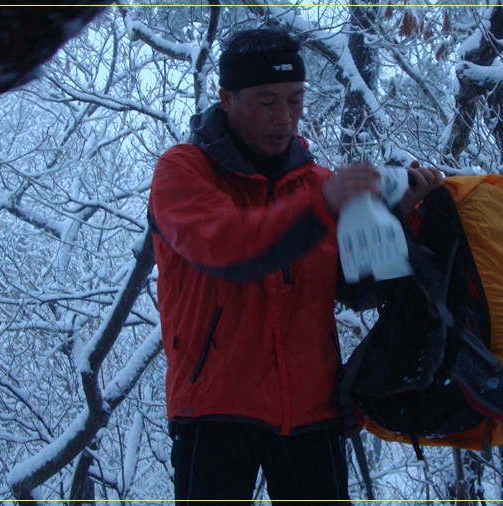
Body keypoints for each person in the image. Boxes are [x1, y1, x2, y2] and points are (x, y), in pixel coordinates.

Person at [148, 28, 442, 502]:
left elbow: (362, 290)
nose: (284, 117)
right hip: (215, 410)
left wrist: (396, 216)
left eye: (295, 99)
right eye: (267, 101)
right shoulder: (182, 172)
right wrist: (325, 207)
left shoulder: (318, 184)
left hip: (313, 413)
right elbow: (231, 248)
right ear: (226, 98)